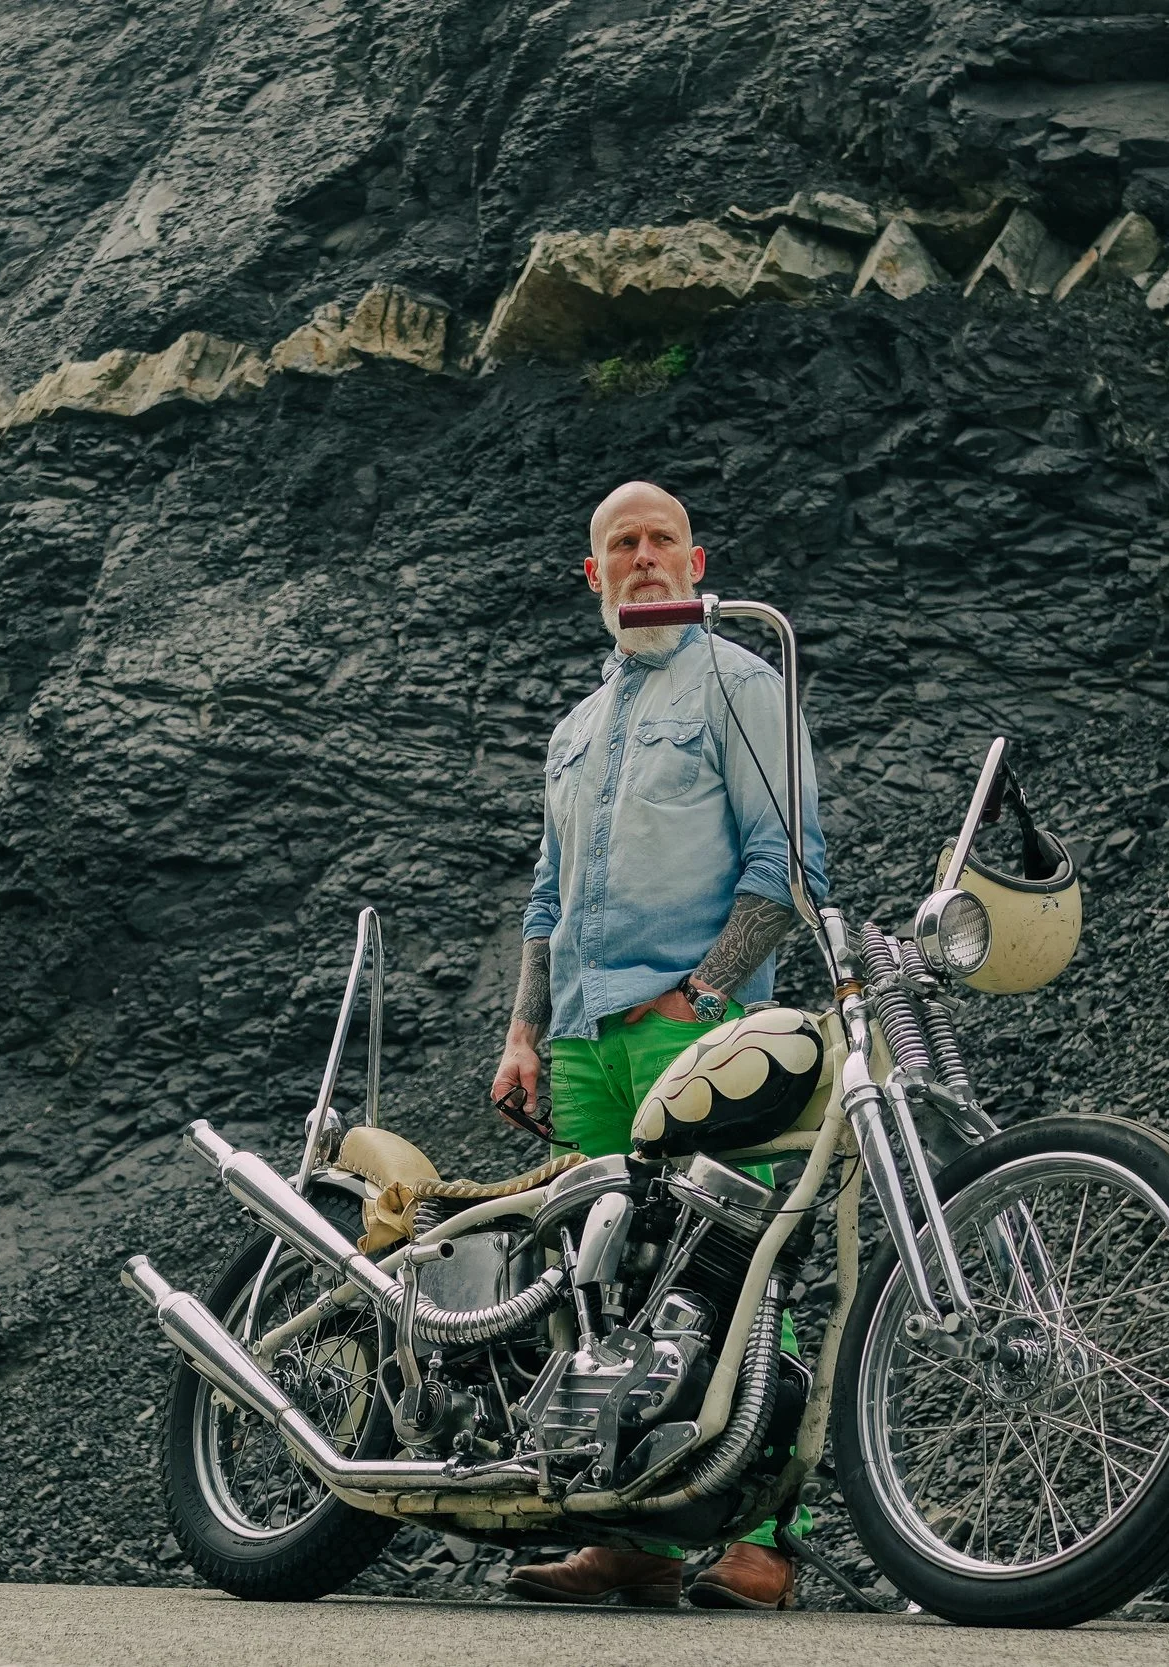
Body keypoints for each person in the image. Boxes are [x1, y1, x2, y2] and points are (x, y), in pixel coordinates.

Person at [491, 480, 828, 1611]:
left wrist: (706, 991)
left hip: (710, 1040)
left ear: (696, 559)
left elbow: (786, 864)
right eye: (619, 546)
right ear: (594, 576)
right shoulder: (574, 728)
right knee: (592, 1291)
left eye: (660, 541)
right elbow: (548, 892)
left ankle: (768, 1539)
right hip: (585, 1043)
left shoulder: (741, 681)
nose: (642, 559)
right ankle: (628, 1532)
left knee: (739, 1284)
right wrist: (526, 1027)